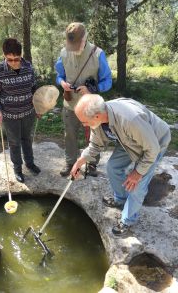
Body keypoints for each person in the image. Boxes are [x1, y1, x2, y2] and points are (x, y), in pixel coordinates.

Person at [71, 94, 171, 236]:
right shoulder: (99, 119)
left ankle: (128, 220)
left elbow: (152, 149)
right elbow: (95, 145)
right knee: (112, 167)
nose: (83, 125)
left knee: (137, 185)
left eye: (84, 122)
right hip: (128, 140)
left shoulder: (130, 119)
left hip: (155, 142)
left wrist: (138, 173)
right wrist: (79, 162)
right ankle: (121, 199)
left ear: (97, 116)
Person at [55, 22, 112, 177]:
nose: (73, 48)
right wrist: (62, 83)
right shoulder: (63, 53)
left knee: (95, 134)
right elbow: (59, 75)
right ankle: (70, 163)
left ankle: (92, 164)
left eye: (76, 44)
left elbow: (108, 81)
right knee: (70, 134)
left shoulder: (98, 53)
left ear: (85, 38)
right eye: (70, 43)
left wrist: (92, 89)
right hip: (70, 104)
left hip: (91, 106)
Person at [0, 38, 40, 183]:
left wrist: (39, 106)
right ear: (4, 55)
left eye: (16, 59)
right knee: (14, 143)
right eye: (9, 59)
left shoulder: (28, 67)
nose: (13, 63)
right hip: (9, 115)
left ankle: (30, 164)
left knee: (27, 139)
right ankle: (18, 169)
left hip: (28, 112)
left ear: (21, 55)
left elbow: (34, 89)